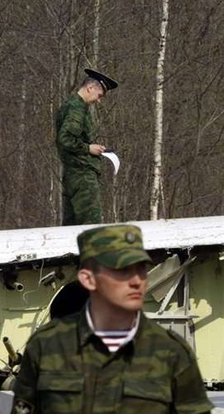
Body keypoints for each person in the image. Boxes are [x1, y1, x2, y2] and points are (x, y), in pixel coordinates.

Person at [12, 224, 213, 413]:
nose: (136, 281)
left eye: (141, 269)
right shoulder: (46, 347)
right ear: (88, 279)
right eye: (122, 271)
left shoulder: (171, 351)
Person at [57, 69, 118, 226]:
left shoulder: (71, 106)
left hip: (72, 175)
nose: (99, 101)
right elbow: (65, 139)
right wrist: (88, 149)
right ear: (90, 88)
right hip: (82, 175)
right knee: (90, 227)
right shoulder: (76, 108)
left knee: (71, 229)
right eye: (100, 95)